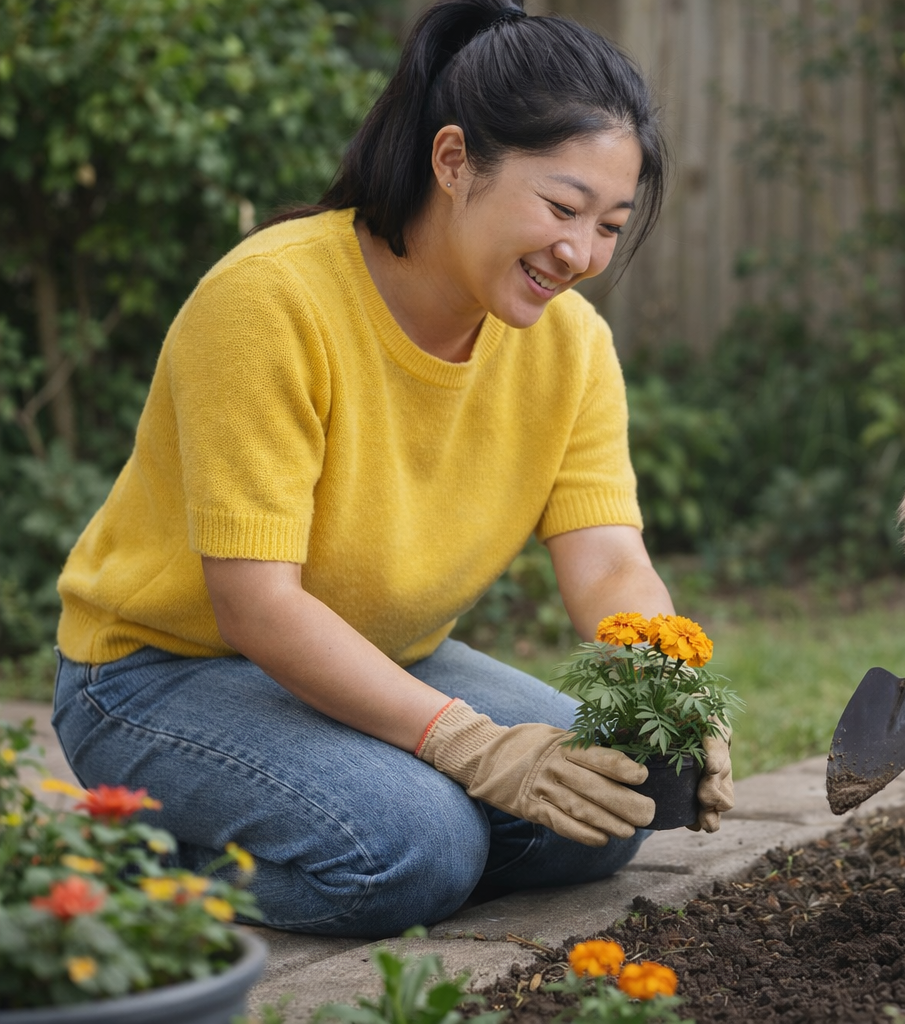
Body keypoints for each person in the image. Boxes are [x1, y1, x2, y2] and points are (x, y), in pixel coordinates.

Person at [49, 0, 733, 939]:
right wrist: (470, 748)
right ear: (453, 162)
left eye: (610, 224)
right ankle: (125, 860)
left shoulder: (571, 347)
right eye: (562, 207)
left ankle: (366, 825)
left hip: (376, 652)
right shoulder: (272, 300)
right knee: (412, 853)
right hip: (160, 672)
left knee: (610, 807)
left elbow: (610, 563)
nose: (581, 254)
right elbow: (257, 603)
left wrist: (671, 698)